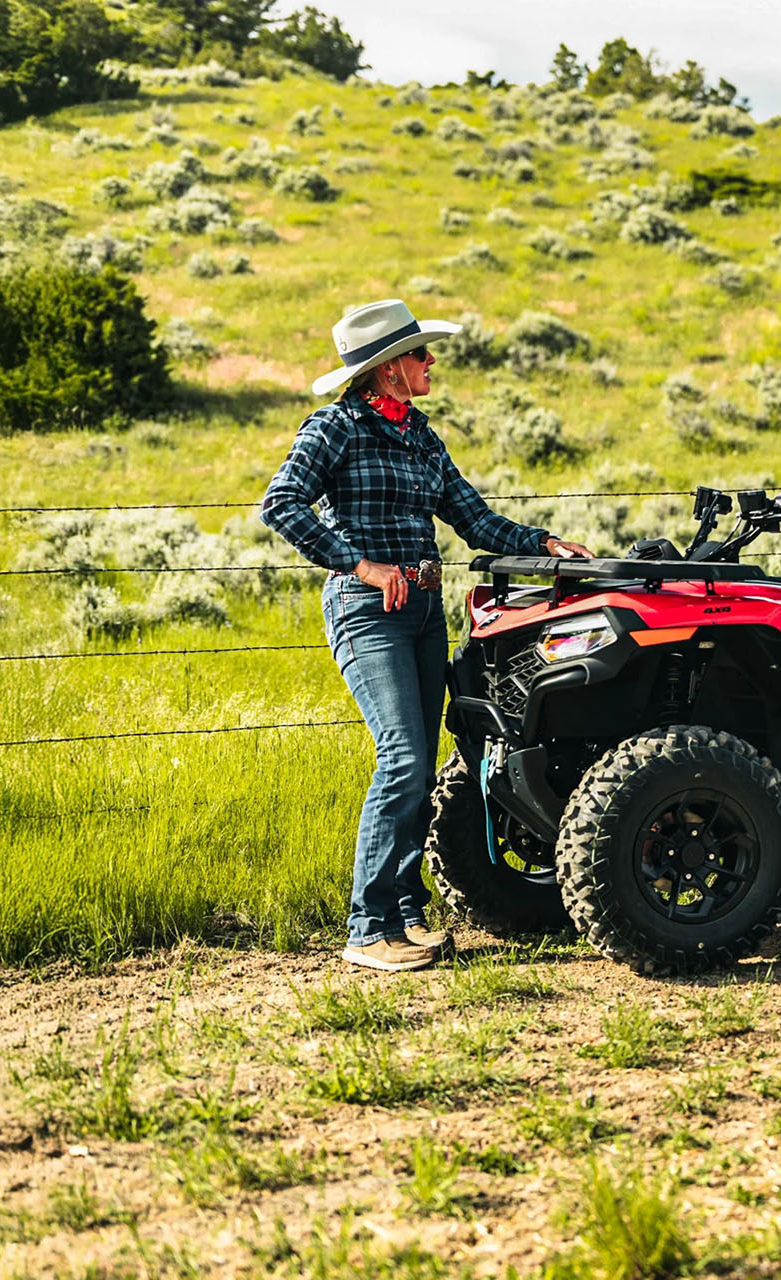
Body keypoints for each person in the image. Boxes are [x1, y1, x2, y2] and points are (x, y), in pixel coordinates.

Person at [262, 299, 591, 973]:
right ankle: (367, 926)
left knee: (416, 757)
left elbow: (474, 519)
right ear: (386, 371)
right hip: (366, 608)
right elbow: (282, 502)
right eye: (418, 354)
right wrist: (359, 563)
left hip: (420, 612)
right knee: (404, 759)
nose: (430, 361)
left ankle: (403, 914)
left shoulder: (419, 435)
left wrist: (543, 545)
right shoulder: (335, 427)